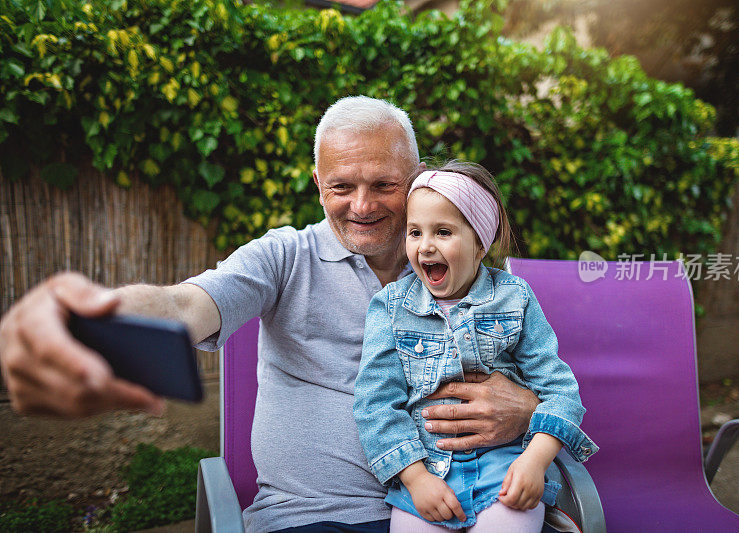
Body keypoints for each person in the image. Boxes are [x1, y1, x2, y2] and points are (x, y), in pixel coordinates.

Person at [0, 97, 544, 532]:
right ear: (317, 183)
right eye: (341, 186)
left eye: (384, 184)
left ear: (420, 176)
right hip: (314, 518)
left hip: (461, 505)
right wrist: (97, 321)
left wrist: (528, 411)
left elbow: (541, 375)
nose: (362, 205)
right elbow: (185, 303)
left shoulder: (470, 273)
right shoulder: (284, 258)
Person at [353, 161, 598, 532]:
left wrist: (534, 462)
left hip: (506, 470)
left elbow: (561, 391)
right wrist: (416, 479)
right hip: (425, 478)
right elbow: (375, 403)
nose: (425, 246)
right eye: (415, 232)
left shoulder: (515, 299)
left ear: (481, 244)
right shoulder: (390, 307)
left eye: (443, 231)